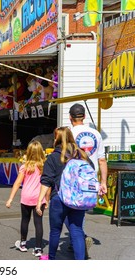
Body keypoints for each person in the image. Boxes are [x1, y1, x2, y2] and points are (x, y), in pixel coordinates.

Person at [35, 127, 106, 260]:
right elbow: (90, 174)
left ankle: (51, 258)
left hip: (59, 199)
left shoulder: (54, 157)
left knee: (55, 231)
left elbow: (46, 181)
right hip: (78, 199)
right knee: (77, 230)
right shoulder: (82, 155)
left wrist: (40, 201)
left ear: (57, 139)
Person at [68, 103, 108, 258]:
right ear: (84, 116)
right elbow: (102, 160)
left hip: (73, 179)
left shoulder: (69, 133)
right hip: (91, 179)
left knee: (66, 212)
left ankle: (79, 238)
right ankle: (76, 240)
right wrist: (103, 182)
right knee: (81, 211)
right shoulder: (96, 134)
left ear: (70, 117)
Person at [6, 140, 47, 257]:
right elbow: (47, 185)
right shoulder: (44, 167)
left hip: (26, 197)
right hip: (39, 198)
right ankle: (38, 248)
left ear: (28, 152)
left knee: (25, 220)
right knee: (38, 223)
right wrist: (47, 200)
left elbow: (17, 183)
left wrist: (10, 199)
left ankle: (23, 244)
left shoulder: (25, 167)